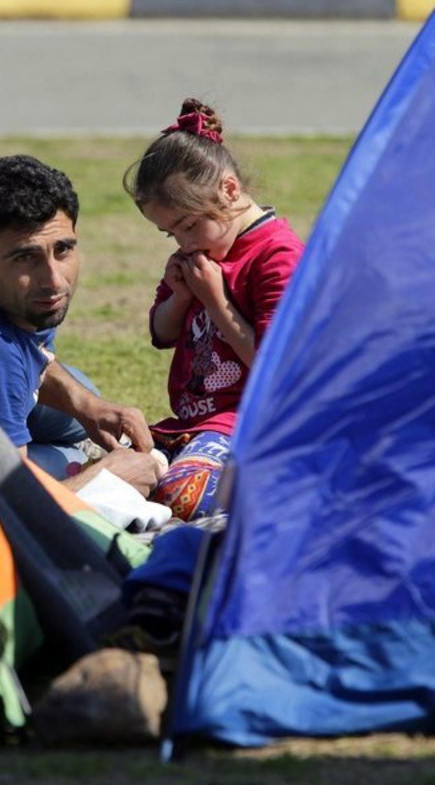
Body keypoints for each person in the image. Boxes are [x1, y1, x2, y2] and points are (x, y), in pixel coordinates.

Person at [0, 154, 161, 496]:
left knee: (85, 393)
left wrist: (84, 404)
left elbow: (32, 350)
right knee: (63, 461)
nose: (54, 280)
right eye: (25, 257)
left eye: (62, 250)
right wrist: (107, 481)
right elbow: (6, 515)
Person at [124, 98, 305, 521]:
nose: (184, 243)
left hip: (249, 425)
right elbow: (161, 333)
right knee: (106, 476)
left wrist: (216, 301)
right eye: (170, 234)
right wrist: (181, 295)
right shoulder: (204, 252)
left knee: (181, 496)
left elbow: (275, 369)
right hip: (190, 425)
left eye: (188, 225)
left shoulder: (278, 255)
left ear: (228, 189)